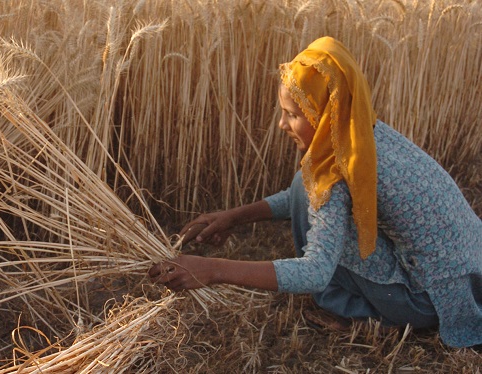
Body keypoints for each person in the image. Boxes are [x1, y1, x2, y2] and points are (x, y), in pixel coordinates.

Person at [149, 36, 482, 348]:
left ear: (325, 114)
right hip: (464, 283)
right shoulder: (362, 131)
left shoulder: (338, 168)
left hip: (426, 300)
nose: (282, 125)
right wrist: (234, 217)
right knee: (305, 182)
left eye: (292, 115)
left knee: (313, 197)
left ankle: (355, 311)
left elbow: (315, 271)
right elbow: (307, 193)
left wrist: (213, 270)